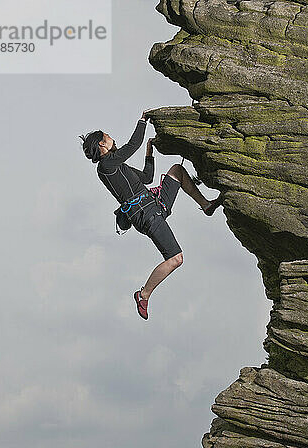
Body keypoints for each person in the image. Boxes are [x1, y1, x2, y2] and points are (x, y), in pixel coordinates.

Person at [79, 110, 223, 320]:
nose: (111, 138)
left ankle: (206, 205)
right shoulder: (106, 166)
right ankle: (144, 294)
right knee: (176, 258)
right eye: (107, 136)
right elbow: (131, 145)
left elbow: (147, 178)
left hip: (155, 205)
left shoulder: (117, 165)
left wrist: (149, 152)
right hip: (146, 215)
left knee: (177, 171)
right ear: (102, 145)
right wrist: (142, 120)